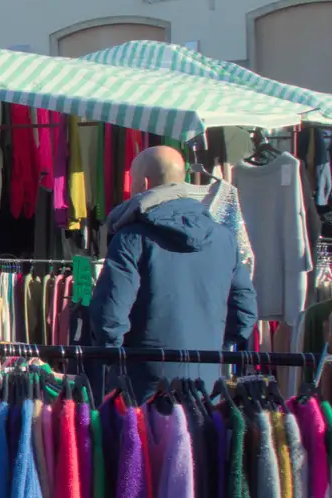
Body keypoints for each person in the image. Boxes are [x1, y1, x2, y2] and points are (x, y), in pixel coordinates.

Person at [88, 146, 257, 397]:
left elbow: (110, 314)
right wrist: (213, 346)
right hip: (206, 376)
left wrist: (114, 360)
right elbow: (245, 312)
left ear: (143, 182)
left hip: (143, 378)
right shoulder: (224, 238)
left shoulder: (132, 238)